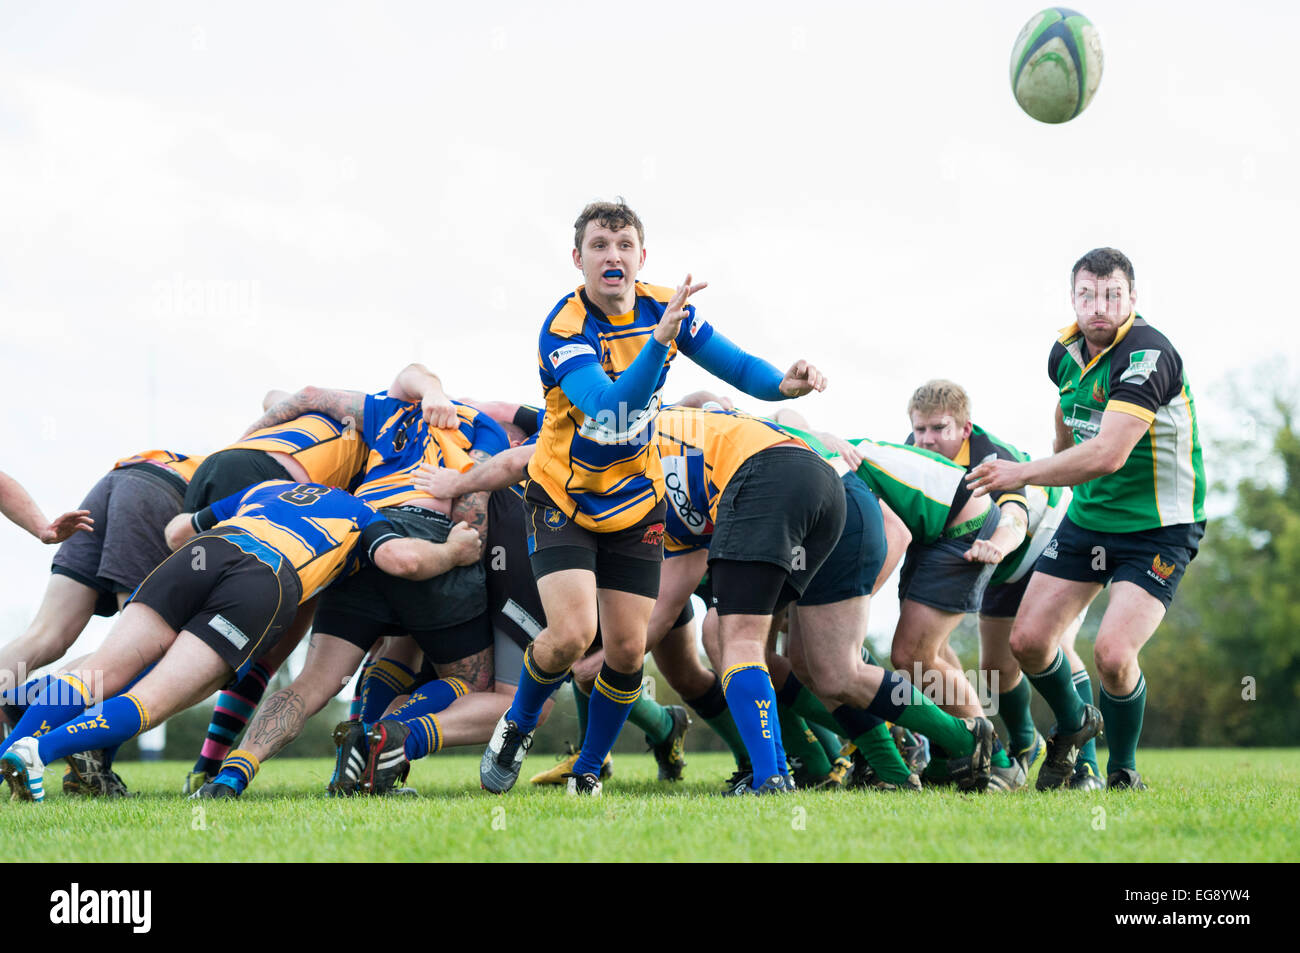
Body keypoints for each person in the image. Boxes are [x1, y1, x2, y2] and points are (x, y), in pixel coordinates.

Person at [480, 199, 826, 796]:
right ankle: (518, 724)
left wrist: (781, 382)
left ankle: (588, 771)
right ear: (577, 259)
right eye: (598, 245)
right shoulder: (564, 328)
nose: (612, 256)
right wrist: (658, 342)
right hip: (564, 497)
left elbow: (735, 365)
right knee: (568, 636)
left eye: (623, 245)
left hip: (637, 501)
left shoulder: (665, 307)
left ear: (642, 257)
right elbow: (611, 408)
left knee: (627, 650)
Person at [0, 479, 475, 802]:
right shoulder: (361, 511)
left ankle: (13, 750)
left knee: (97, 669)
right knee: (153, 699)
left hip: (203, 553)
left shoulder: (267, 488)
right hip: (264, 578)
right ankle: (38, 753)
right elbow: (402, 561)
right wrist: (453, 551)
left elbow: (178, 530)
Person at [190, 382, 503, 798]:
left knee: (313, 683)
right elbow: (473, 498)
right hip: (427, 537)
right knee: (471, 681)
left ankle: (232, 774)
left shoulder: (384, 411)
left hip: (362, 538)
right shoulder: (486, 428)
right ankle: (378, 737)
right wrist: (463, 555)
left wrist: (249, 437)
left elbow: (306, 395)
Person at [968, 247, 1206, 791]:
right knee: (1026, 641)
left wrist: (1024, 473)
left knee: (1113, 655)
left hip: (1159, 528)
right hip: (1089, 520)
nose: (1099, 305)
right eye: (1087, 294)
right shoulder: (1063, 352)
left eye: (1112, 294)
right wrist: (1056, 475)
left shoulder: (1149, 354)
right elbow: (1067, 409)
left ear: (1132, 298)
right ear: (1072, 297)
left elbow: (1107, 453)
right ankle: (1075, 729)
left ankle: (1122, 772)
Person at [907, 380, 1101, 789]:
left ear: (964, 427)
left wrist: (996, 545)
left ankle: (1086, 766)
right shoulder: (913, 451)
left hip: (1050, 540)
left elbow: (1014, 517)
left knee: (1052, 644)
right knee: (996, 668)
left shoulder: (990, 456)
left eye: (939, 429)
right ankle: (1021, 747)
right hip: (991, 559)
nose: (926, 439)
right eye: (920, 429)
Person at [0, 451, 201, 796]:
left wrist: (43, 529)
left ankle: (26, 697)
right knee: (145, 650)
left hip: (112, 483)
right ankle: (89, 754)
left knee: (45, 635)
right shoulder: (287, 486)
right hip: (160, 491)